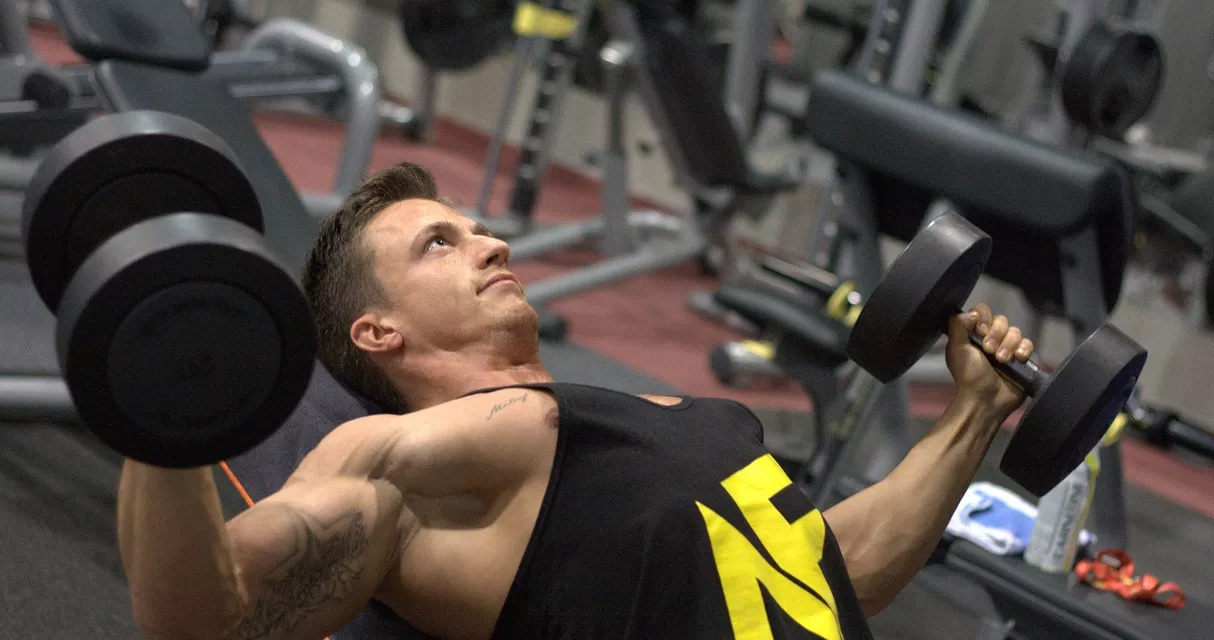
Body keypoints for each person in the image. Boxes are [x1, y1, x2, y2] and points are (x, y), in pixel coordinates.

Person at [117, 162, 1036, 640]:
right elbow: (210, 617)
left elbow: (832, 570)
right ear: (377, 330)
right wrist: (159, 400)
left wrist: (973, 414)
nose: (492, 245)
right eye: (439, 244)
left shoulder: (675, 415)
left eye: (479, 229)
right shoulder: (405, 466)